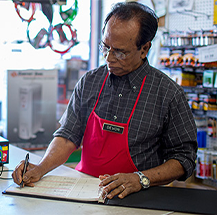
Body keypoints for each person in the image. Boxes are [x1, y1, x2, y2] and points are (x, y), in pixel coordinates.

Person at [12, 1, 197, 200]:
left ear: (144, 49)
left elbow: (184, 158)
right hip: (84, 191)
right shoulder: (90, 82)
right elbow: (67, 136)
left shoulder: (168, 94)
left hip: (138, 197)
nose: (109, 58)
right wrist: (40, 168)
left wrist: (140, 179)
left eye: (119, 52)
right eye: (105, 47)